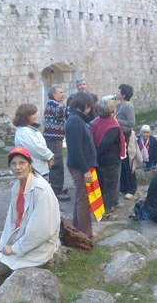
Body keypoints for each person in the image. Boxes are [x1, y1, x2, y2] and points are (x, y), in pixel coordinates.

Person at [0, 146, 60, 287]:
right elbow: (12, 220)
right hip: (19, 235)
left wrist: (14, 249)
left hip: (36, 244)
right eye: (13, 164)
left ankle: (11, 286)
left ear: (30, 164)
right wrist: (5, 243)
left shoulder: (40, 189)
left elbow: (41, 231)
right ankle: (8, 274)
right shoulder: (17, 186)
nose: (17, 167)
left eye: (22, 163)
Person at [65, 92, 97, 239]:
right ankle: (86, 236)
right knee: (84, 202)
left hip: (80, 165)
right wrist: (85, 170)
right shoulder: (76, 121)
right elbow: (76, 149)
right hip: (80, 166)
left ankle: (77, 231)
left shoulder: (75, 119)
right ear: (85, 105)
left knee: (80, 199)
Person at [91, 99, 126, 217]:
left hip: (98, 159)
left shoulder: (95, 121)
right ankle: (106, 210)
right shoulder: (112, 125)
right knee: (111, 185)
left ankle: (103, 207)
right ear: (112, 111)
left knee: (101, 183)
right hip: (110, 160)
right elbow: (104, 145)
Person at [43, 85, 70, 201]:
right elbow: (66, 112)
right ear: (54, 94)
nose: (63, 94)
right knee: (57, 164)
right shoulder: (53, 104)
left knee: (56, 163)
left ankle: (56, 187)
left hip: (54, 138)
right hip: (53, 139)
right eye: (60, 92)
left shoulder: (52, 104)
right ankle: (57, 191)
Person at [13, 104, 54, 178]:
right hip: (35, 170)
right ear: (25, 116)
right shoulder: (24, 132)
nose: (35, 116)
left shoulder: (29, 129)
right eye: (33, 114)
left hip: (38, 169)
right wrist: (50, 156)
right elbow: (37, 148)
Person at [115, 84, 137, 200]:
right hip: (120, 137)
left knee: (128, 163)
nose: (116, 93)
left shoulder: (128, 106)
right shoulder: (119, 105)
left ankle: (132, 188)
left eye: (118, 91)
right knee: (122, 163)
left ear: (123, 94)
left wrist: (117, 121)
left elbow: (131, 123)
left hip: (127, 137)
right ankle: (123, 187)